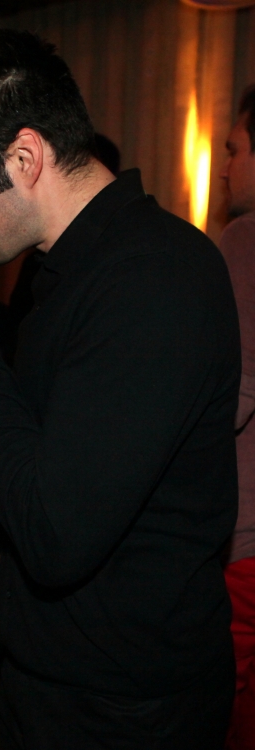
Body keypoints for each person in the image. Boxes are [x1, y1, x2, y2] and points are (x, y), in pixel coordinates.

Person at [0, 29, 240, 750]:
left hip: (128, 709)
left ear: (24, 159)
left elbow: (57, 535)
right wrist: (11, 565)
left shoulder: (153, 275)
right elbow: (81, 487)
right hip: (68, 679)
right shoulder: (70, 271)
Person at [218, 84, 255, 750]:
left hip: (245, 543)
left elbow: (230, 396)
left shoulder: (246, 239)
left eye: (234, 150)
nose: (225, 168)